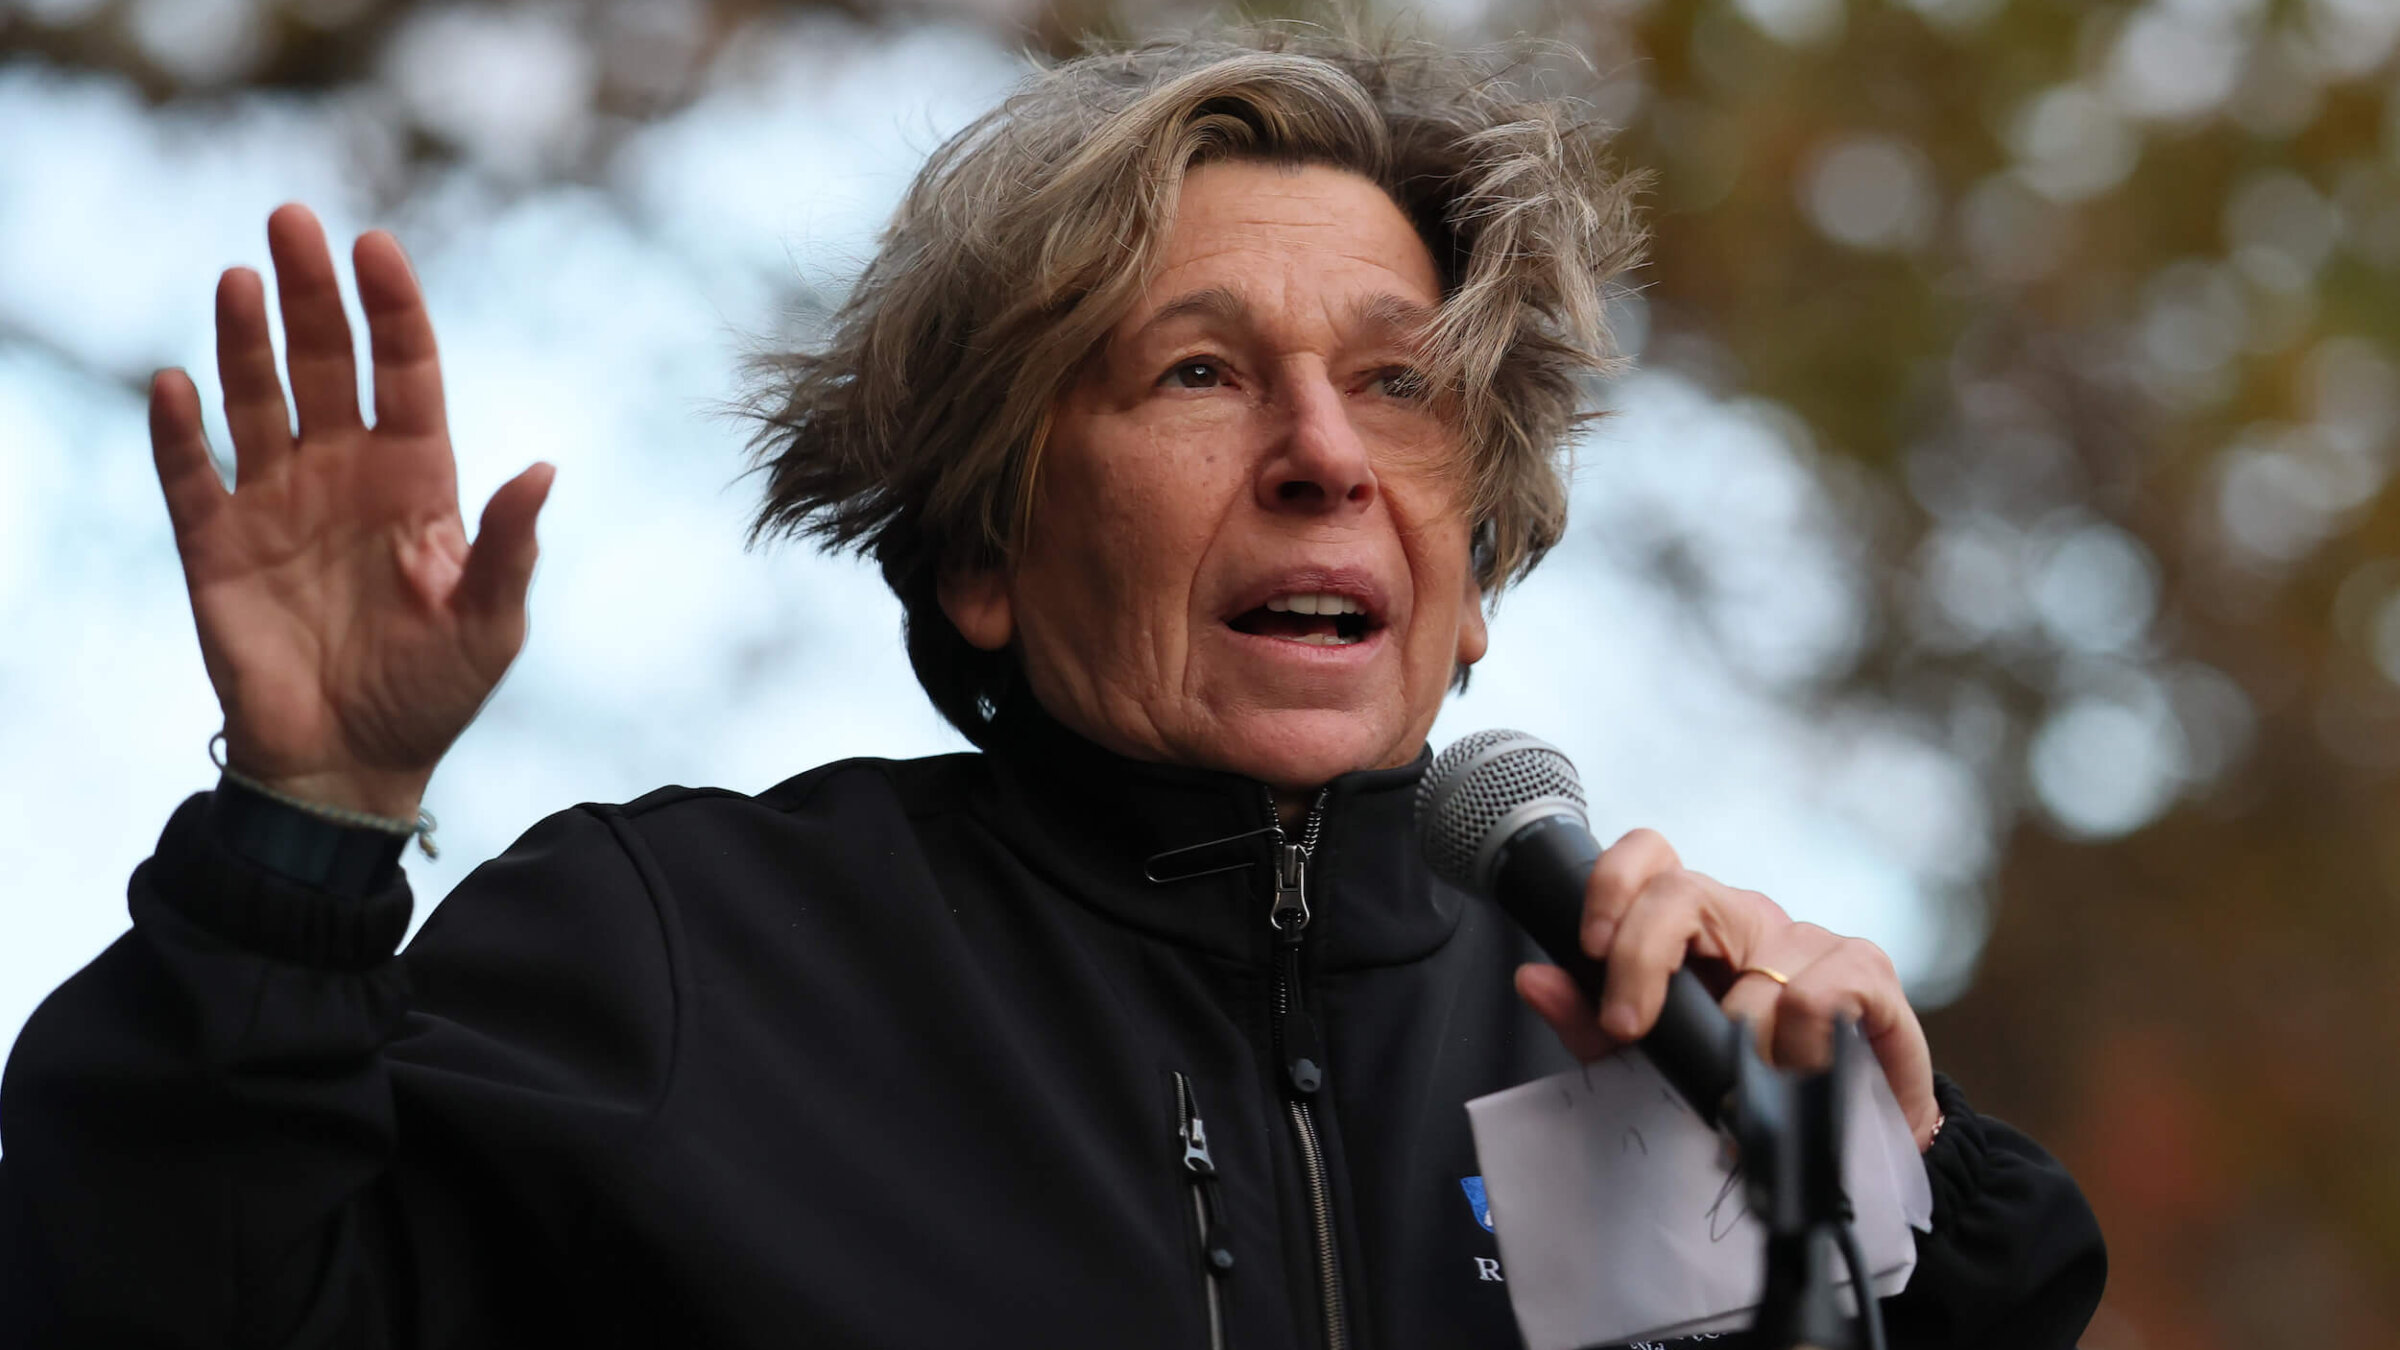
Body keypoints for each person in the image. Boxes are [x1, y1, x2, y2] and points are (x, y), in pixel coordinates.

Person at [0, 30, 2103, 1350]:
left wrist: (1896, 1166)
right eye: (1199, 372)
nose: (1324, 451)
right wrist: (303, 842)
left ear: (1473, 578)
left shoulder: (1652, 1057)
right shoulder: (679, 963)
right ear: (986, 551)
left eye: (1399, 384)